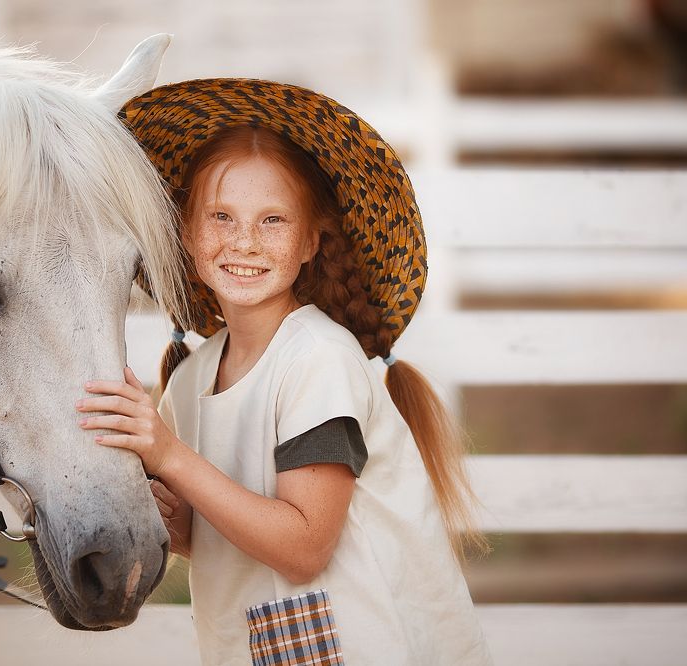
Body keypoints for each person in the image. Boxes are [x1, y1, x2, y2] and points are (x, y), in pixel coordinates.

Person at [76, 79, 493, 665]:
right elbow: (221, 537)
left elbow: (303, 547)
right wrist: (169, 516)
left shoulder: (318, 359)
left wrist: (170, 456)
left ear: (308, 242)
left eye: (272, 220)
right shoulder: (194, 379)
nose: (244, 241)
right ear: (187, 235)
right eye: (221, 216)